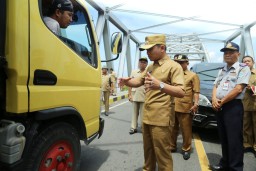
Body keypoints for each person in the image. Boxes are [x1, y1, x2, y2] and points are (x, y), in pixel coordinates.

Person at [119, 34, 185, 171]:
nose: (147, 53)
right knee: (148, 151)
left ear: (162, 48)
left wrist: (160, 85)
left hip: (162, 118)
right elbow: (138, 81)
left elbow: (181, 91)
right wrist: (127, 81)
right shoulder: (150, 67)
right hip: (147, 117)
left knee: (162, 155)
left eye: (150, 50)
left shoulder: (174, 66)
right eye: (146, 50)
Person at [210, 42, 251, 171]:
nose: (227, 54)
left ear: (238, 54)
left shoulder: (243, 68)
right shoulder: (222, 70)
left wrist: (221, 102)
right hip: (220, 106)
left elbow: (239, 89)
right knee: (224, 137)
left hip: (233, 107)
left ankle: (235, 168)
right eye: (225, 52)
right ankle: (225, 164)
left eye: (231, 52)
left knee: (234, 139)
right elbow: (215, 86)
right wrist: (214, 99)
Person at [171, 54, 200, 160]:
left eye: (181, 62)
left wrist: (196, 104)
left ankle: (186, 149)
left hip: (185, 106)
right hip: (172, 105)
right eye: (176, 62)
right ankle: (172, 146)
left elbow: (196, 92)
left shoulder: (193, 75)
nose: (178, 64)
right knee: (172, 128)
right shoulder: (172, 75)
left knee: (185, 130)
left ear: (187, 63)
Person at [128, 57, 148, 134]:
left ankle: (143, 128)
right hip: (135, 94)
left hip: (144, 95)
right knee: (134, 112)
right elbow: (130, 83)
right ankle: (133, 127)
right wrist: (129, 94)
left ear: (146, 64)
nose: (142, 64)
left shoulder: (148, 73)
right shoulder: (134, 72)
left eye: (144, 62)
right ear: (138, 63)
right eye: (141, 62)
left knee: (144, 114)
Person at [242, 55, 256, 158]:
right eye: (245, 61)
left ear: (253, 62)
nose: (247, 63)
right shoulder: (241, 74)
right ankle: (247, 144)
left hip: (255, 104)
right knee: (245, 126)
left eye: (248, 61)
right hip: (244, 104)